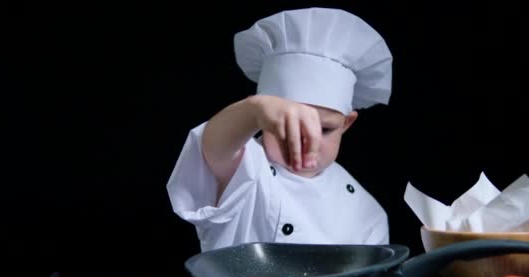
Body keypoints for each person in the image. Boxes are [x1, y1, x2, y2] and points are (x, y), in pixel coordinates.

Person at [166, 7, 393, 252]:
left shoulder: (365, 211)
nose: (306, 141)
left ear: (347, 124)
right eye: (287, 126)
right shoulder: (247, 169)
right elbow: (213, 147)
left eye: (325, 129)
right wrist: (253, 110)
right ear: (260, 121)